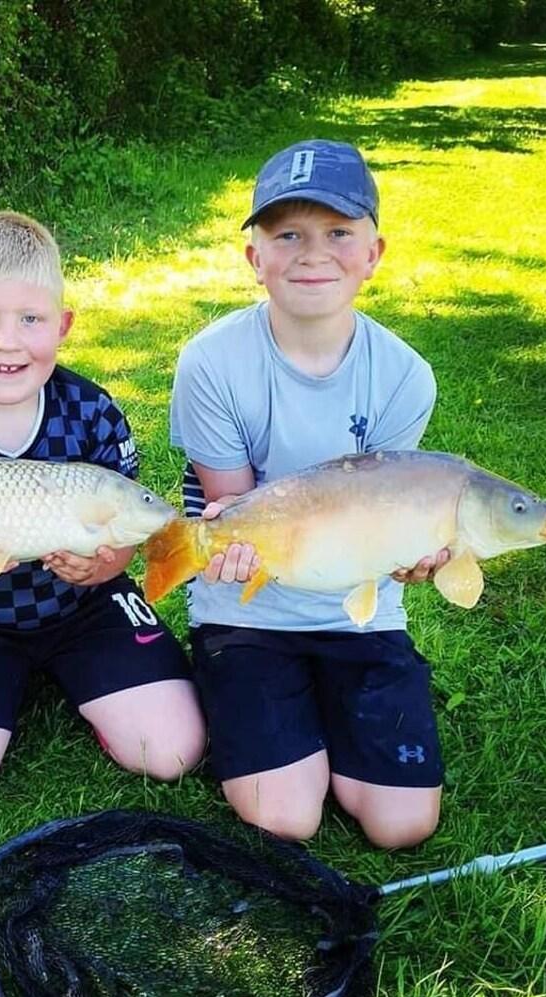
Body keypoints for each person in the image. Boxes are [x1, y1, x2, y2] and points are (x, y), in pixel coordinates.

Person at [0, 211, 206, 821]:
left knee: (175, 753)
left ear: (63, 325)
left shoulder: (94, 413)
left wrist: (103, 567)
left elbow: (125, 539)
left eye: (31, 319)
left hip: (85, 610)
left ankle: (81, 682)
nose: (8, 340)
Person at [169, 139, 449, 849]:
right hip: (248, 609)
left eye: (337, 234)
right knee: (285, 817)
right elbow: (232, 510)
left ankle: (325, 707)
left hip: (360, 613)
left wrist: (413, 556)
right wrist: (220, 544)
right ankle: (266, 705)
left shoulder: (404, 376)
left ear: (373, 254)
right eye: (287, 234)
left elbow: (389, 511)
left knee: (402, 824)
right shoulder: (211, 362)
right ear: (254, 258)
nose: (311, 254)